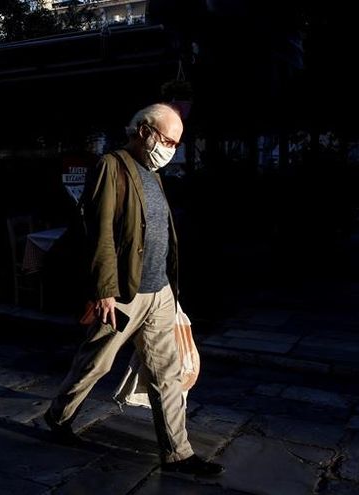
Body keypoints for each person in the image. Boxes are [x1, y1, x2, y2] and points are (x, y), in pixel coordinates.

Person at [43, 103, 223, 476]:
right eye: (168, 140)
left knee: (166, 374)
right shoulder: (112, 165)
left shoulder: (153, 172)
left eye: (176, 142)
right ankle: (58, 417)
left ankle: (177, 453)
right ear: (144, 131)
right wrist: (104, 289)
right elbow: (101, 231)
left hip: (158, 292)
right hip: (123, 293)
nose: (172, 148)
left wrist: (170, 291)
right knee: (96, 363)